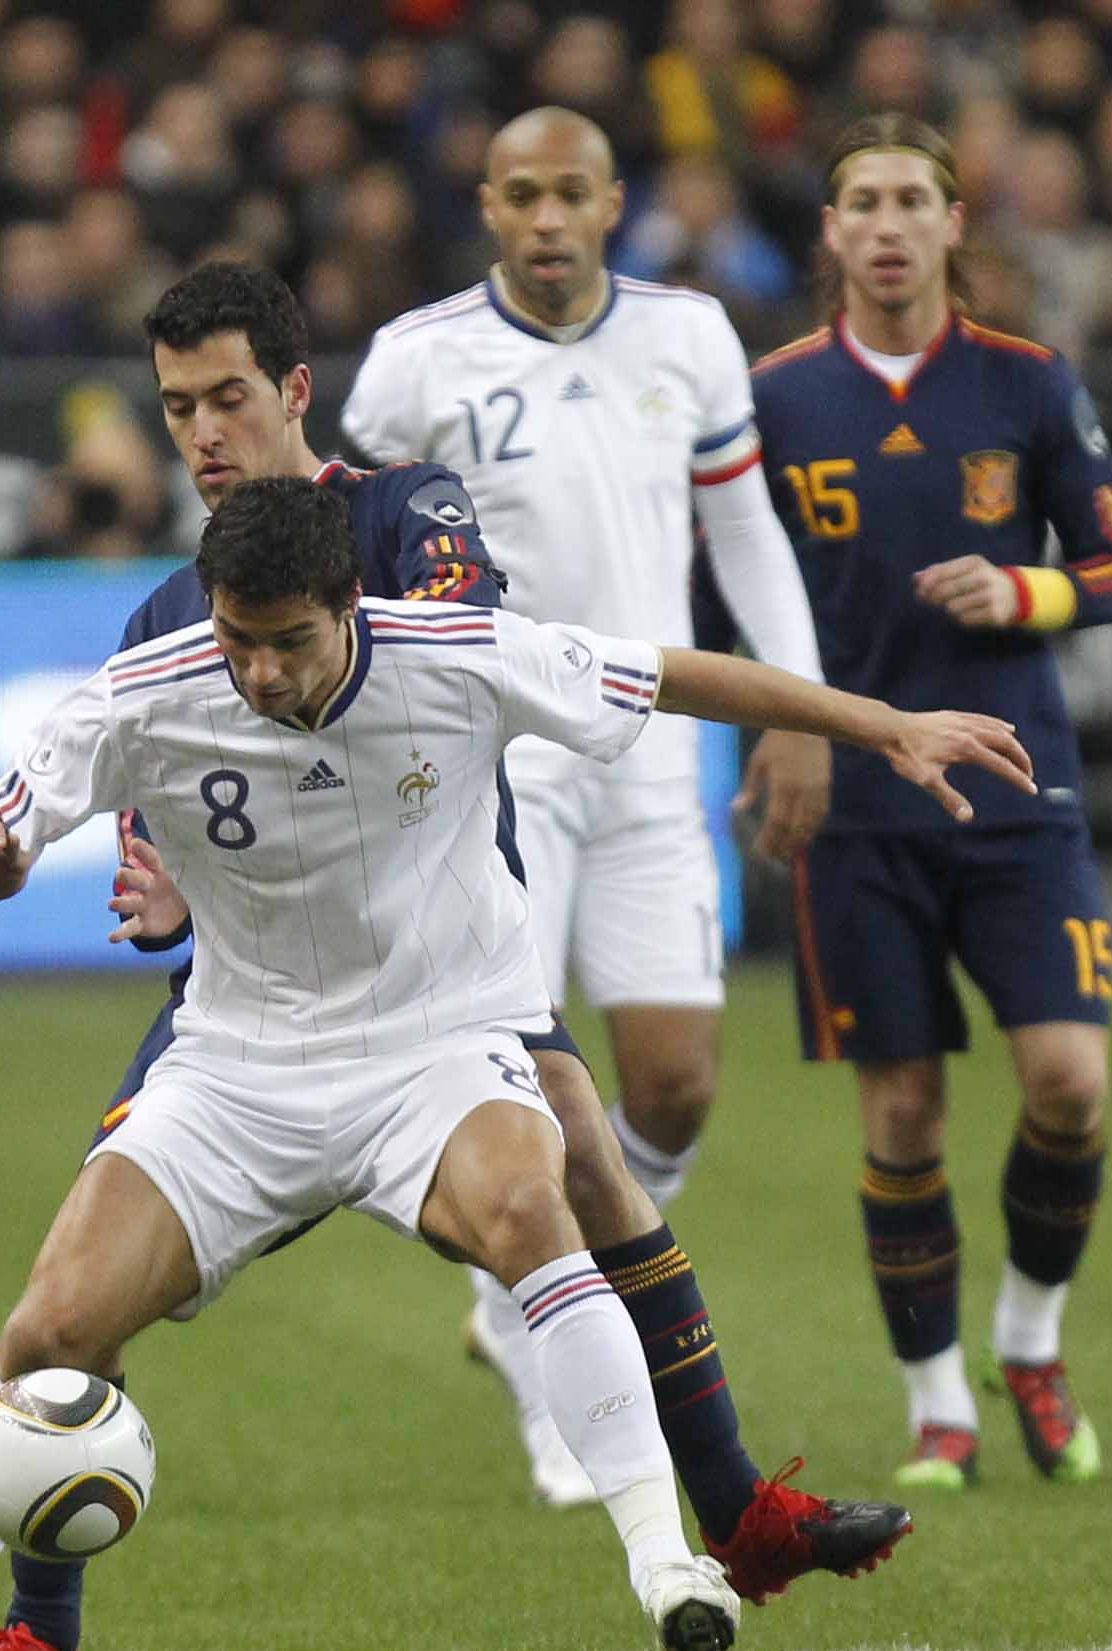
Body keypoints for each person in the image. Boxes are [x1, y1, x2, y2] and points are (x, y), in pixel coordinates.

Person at [0, 474, 1037, 1651]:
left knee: (532, 1204)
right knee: (47, 1332)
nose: (262, 673)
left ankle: (669, 1562)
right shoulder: (148, 688)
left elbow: (676, 674)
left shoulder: (458, 651)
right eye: (239, 640)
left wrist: (880, 724)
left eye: (289, 642)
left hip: (436, 1047)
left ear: (350, 605)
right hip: (237, 1068)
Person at [0, 262, 914, 1651]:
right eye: (177, 408)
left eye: (226, 399)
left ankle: (730, 1525)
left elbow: (448, 653)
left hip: (451, 966)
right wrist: (153, 880)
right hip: (264, 1000)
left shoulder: (409, 514)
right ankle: (34, 1633)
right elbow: (158, 809)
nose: (201, 432)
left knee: (590, 1180)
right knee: (82, 1297)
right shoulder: (166, 615)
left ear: (292, 392)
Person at [337, 106, 832, 1511]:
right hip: (496, 766)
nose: (547, 220)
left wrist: (794, 713)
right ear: (486, 207)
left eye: (572, 194)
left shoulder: (689, 337)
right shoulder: (418, 363)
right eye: (520, 196)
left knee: (670, 1083)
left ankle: (519, 1309)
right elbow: (350, 548)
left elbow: (744, 531)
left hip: (658, 755)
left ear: (615, 202)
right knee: (523, 1085)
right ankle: (558, 1350)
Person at [748, 113, 1112, 1490]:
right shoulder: (779, 398)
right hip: (855, 804)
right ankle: (939, 1411)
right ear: (833, 234)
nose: (890, 223)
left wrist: (1023, 589)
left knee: (1070, 1084)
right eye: (863, 200)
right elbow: (732, 597)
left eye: (915, 197)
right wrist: (766, 737)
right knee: (901, 1115)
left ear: (955, 224)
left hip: (1018, 785)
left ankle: (1028, 1344)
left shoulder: (1029, 385)